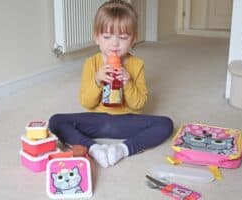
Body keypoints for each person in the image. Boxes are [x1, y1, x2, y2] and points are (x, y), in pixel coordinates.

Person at [49, 0, 173, 168]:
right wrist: (97, 81)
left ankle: (123, 149)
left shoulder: (137, 65)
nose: (114, 43)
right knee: (55, 121)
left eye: (122, 37)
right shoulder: (91, 63)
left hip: (125, 120)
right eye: (107, 37)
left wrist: (128, 82)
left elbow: (139, 105)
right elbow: (86, 102)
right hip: (97, 120)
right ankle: (93, 148)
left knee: (166, 124)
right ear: (96, 38)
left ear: (133, 39)